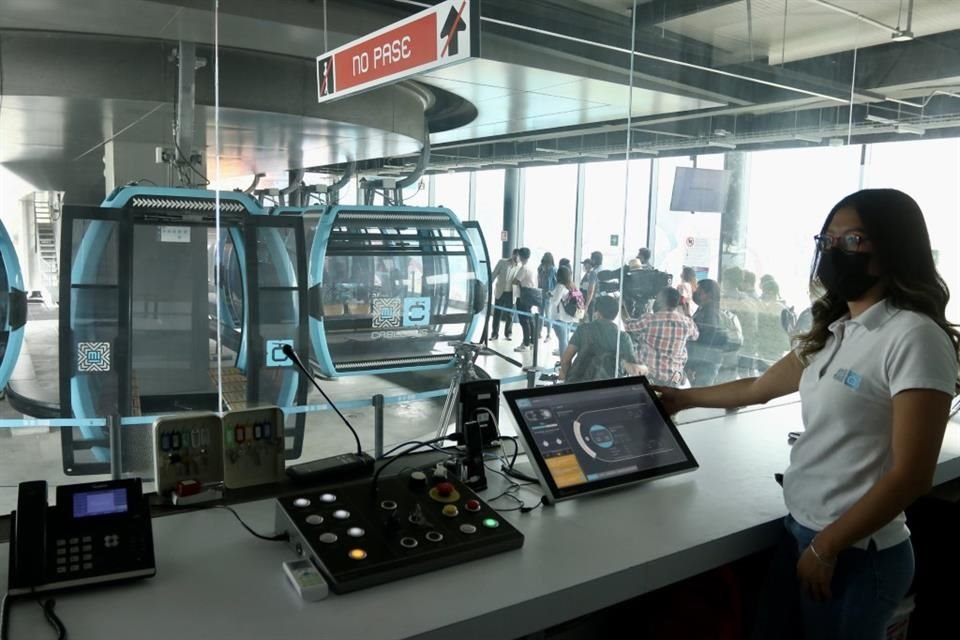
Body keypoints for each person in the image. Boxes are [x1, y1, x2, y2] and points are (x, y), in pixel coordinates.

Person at [656, 189, 960, 639]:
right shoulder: (837, 331)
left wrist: (826, 547)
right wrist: (682, 399)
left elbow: (912, 475)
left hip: (857, 553)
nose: (836, 253)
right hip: (802, 532)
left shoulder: (914, 336)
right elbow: (758, 388)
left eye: (853, 239)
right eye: (828, 241)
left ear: (894, 247)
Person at [624, 287, 699, 387]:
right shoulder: (687, 322)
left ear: (660, 300)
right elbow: (695, 335)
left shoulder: (650, 319)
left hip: (648, 375)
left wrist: (622, 308)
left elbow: (628, 326)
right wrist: (686, 312)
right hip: (673, 378)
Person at [560, 295, 640, 383]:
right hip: (608, 388)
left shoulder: (583, 329)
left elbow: (566, 360)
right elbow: (633, 369)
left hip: (579, 383)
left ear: (597, 313)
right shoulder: (624, 337)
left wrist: (564, 377)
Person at [684, 279, 729, 387]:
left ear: (708, 294)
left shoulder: (710, 312)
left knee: (700, 394)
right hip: (703, 360)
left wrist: (695, 363)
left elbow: (707, 336)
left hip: (705, 362)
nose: (696, 294)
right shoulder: (704, 309)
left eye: (700, 291)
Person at [547, 266, 581, 358]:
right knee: (565, 340)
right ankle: (566, 361)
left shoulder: (560, 286)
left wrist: (549, 296)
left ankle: (564, 362)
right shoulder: (572, 286)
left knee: (562, 341)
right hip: (570, 317)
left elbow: (554, 302)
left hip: (560, 317)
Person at [490, 249, 520, 341]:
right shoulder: (502, 262)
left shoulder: (519, 267)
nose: (517, 258)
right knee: (497, 313)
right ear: (512, 255)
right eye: (516, 255)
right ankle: (494, 334)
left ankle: (508, 333)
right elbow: (494, 274)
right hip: (500, 291)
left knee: (509, 314)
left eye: (519, 257)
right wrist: (487, 285)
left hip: (511, 293)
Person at [512, 247, 538, 353]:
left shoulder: (523, 268)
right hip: (530, 296)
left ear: (521, 256)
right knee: (529, 319)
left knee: (524, 321)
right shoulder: (531, 267)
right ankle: (532, 342)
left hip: (523, 297)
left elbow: (515, 281)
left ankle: (526, 343)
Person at [538, 253, 558, 341]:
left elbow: (554, 282)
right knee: (541, 314)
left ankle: (548, 334)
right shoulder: (541, 269)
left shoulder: (553, 270)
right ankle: (539, 332)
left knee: (547, 315)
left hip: (548, 295)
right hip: (542, 293)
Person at [580, 251, 602, 321]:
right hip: (590, 301)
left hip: (591, 302)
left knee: (589, 321)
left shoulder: (593, 273)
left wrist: (586, 305)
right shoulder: (591, 273)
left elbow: (590, 291)